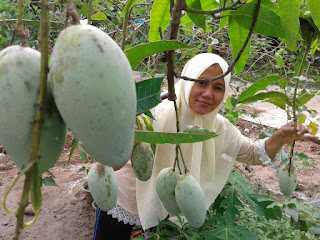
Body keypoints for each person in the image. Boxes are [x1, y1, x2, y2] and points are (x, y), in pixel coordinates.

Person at [93, 53, 318, 239]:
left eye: (218, 87)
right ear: (187, 81)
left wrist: (279, 137)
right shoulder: (152, 113)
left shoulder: (219, 127)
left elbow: (251, 153)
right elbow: (115, 162)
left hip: (167, 216)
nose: (208, 94)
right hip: (124, 207)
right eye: (201, 83)